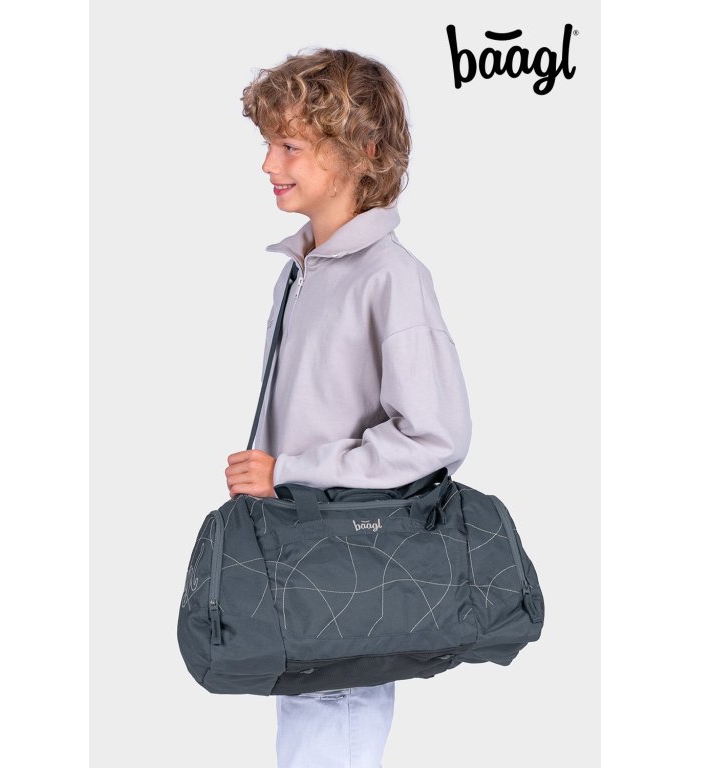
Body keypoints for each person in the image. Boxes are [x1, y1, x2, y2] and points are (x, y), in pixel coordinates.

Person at [227, 48, 473, 768]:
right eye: (269, 144)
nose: (268, 164)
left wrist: (288, 469)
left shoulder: (391, 278)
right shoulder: (299, 273)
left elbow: (435, 436)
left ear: (361, 152)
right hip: (299, 563)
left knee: (330, 726)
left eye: (290, 146)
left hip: (350, 569)